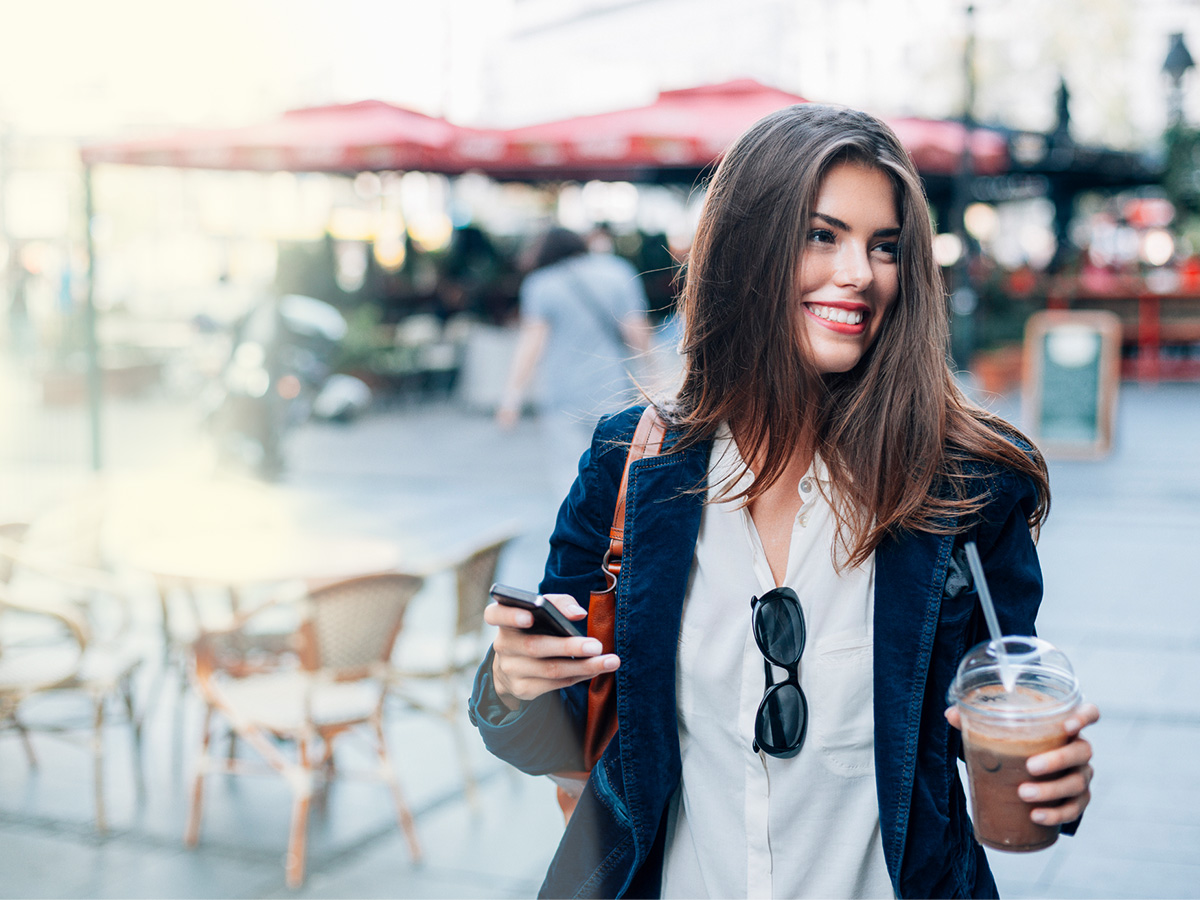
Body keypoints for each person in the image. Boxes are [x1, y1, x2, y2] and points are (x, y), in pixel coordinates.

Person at [469, 104, 1098, 899]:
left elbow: (1000, 714)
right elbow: (553, 740)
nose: (860, 273)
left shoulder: (967, 490)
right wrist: (518, 682)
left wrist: (1051, 781)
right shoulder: (629, 465)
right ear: (748, 248)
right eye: (820, 235)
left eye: (884, 247)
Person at [495, 226, 654, 497]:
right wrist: (654, 377)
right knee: (617, 472)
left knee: (569, 473)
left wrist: (512, 397)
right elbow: (637, 333)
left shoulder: (541, 284)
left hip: (562, 395)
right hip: (612, 391)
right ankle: (615, 535)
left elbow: (531, 345)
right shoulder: (617, 272)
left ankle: (576, 535)